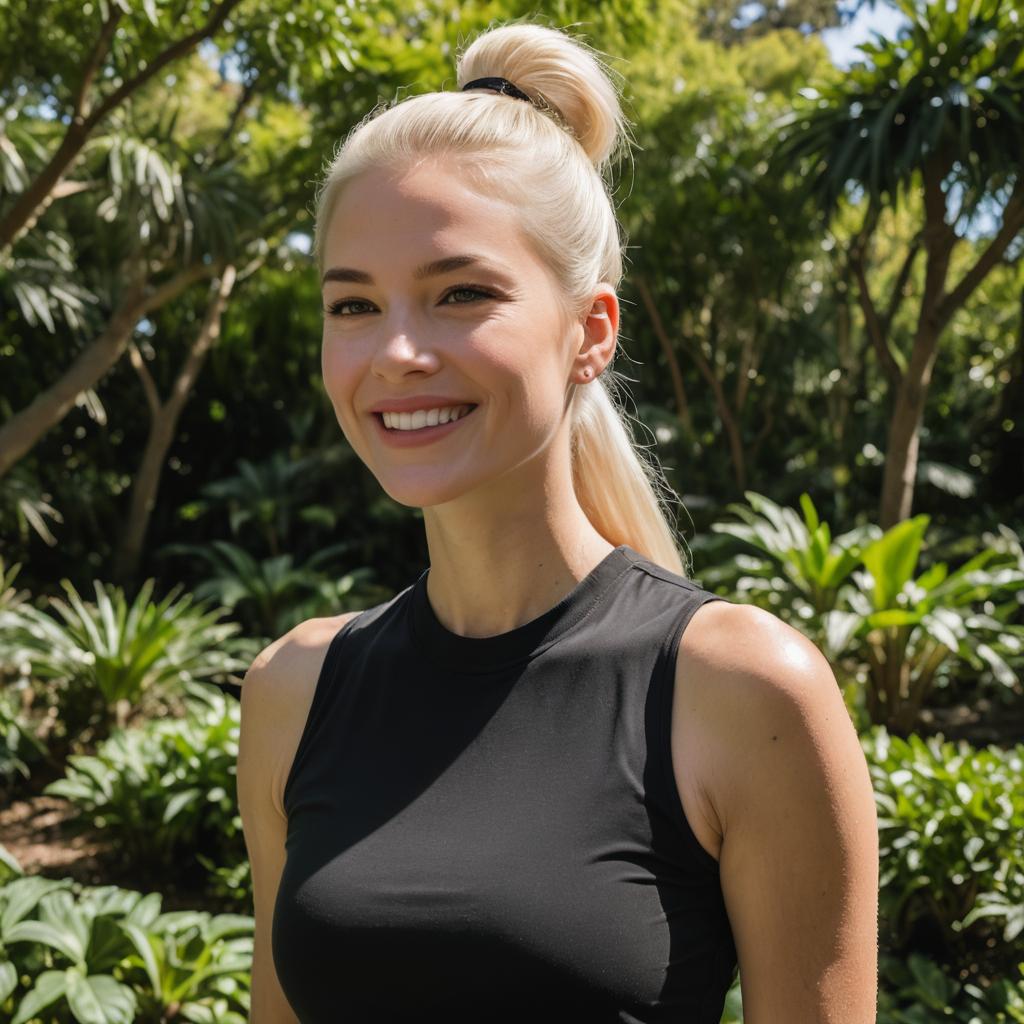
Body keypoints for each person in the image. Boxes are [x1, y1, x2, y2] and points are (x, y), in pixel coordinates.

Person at [237, 18, 879, 1024]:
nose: (396, 353)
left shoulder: (742, 691)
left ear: (590, 332)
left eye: (460, 293)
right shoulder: (293, 692)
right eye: (353, 305)